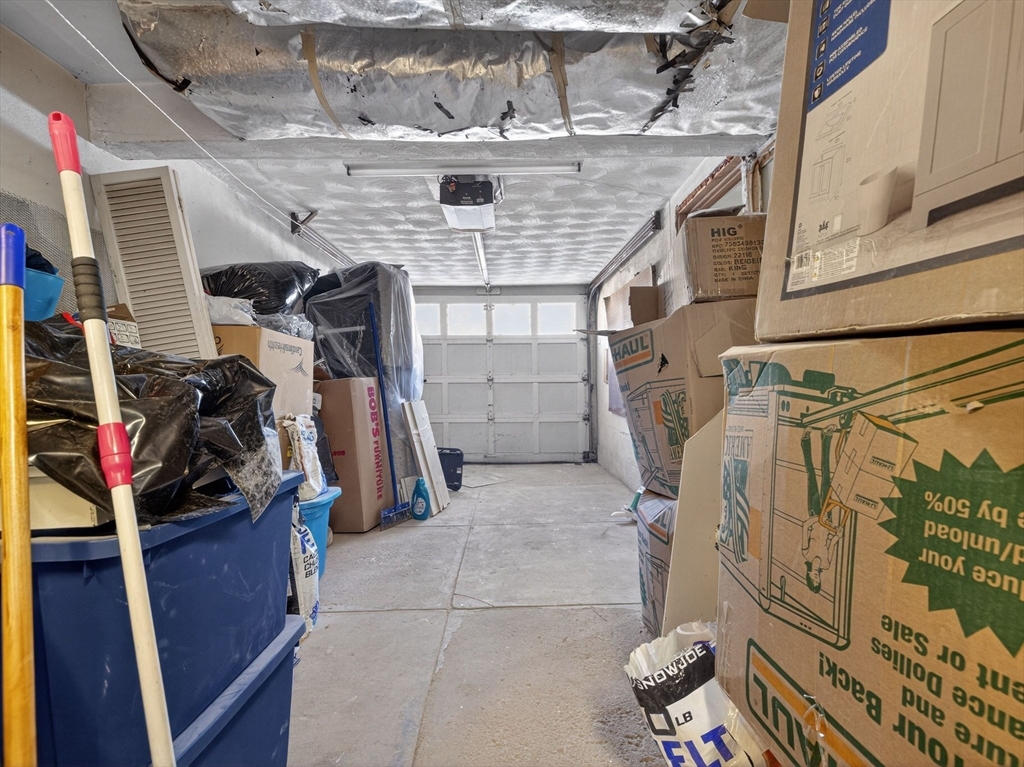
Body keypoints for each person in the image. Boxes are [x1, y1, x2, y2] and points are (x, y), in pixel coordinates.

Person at [800, 425, 845, 594]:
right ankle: (827, 437)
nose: (816, 578)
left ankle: (805, 440)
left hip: (815, 514)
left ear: (809, 575)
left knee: (811, 473)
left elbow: (805, 526)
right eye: (818, 580)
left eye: (813, 580)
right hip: (828, 520)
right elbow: (832, 542)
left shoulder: (806, 554)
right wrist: (838, 533)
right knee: (827, 476)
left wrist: (817, 519)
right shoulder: (826, 564)